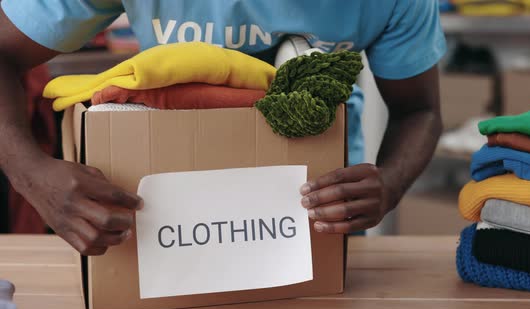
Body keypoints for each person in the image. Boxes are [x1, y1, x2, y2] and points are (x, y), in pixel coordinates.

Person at [0, 1, 446, 255]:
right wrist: (32, 175)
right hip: (164, 218)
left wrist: (387, 185)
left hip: (314, 221)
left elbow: (419, 111)